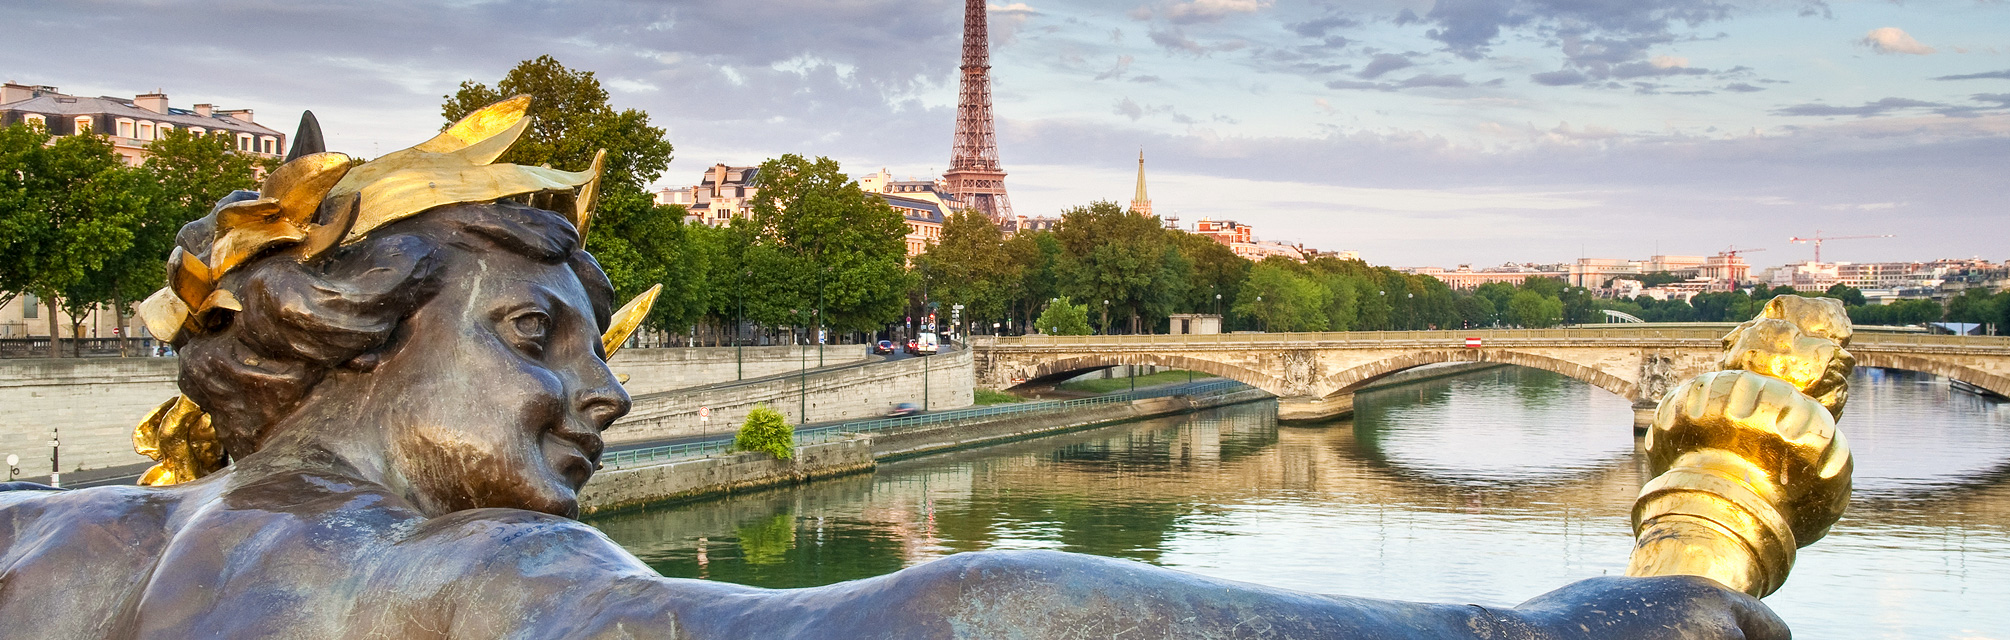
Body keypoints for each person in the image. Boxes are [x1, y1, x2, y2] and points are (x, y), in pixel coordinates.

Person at [0, 102, 1802, 639]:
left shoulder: (54, 540)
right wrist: (1579, 618)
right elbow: (962, 610)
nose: (605, 395)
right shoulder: (448, 580)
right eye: (536, 333)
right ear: (343, 337)